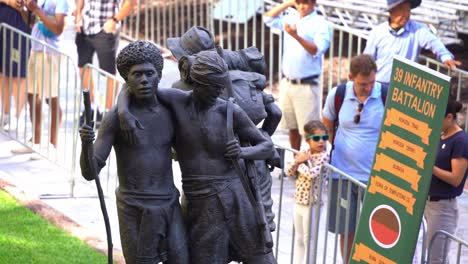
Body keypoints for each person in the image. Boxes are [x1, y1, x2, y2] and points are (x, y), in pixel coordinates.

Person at [118, 50, 277, 263]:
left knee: (261, 259)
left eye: (222, 85)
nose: (220, 91)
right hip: (201, 203)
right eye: (214, 87)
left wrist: (243, 152)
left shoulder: (229, 111)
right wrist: (123, 112)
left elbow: (267, 146)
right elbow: (132, 87)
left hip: (235, 197)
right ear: (197, 83)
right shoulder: (177, 101)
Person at [79, 41, 189, 264]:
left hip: (168, 202)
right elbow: (90, 172)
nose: (144, 80)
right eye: (137, 75)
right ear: (126, 79)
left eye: (149, 74)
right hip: (133, 206)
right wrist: (86, 145)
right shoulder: (114, 119)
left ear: (159, 75)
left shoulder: (171, 109)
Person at [321, 54, 384, 264]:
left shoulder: (385, 95)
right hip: (342, 176)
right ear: (350, 77)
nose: (368, 88)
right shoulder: (337, 94)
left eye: (372, 83)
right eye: (362, 84)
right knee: (345, 231)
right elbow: (326, 126)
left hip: (375, 180)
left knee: (374, 233)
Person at [264, 0, 331, 150]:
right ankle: (297, 163)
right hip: (288, 83)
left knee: (310, 131)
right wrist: (288, 3)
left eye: (305, 2)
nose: (301, 6)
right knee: (291, 127)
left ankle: (313, 168)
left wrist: (296, 36)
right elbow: (268, 18)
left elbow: (316, 49)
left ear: (313, 3)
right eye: (298, 2)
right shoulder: (292, 17)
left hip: (307, 85)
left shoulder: (321, 23)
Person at [11, 0, 68, 158]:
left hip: (50, 53)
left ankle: (52, 145)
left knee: (51, 98)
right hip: (35, 49)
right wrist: (25, 9)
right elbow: (32, 24)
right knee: (32, 96)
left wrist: (36, 9)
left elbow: (58, 29)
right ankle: (35, 142)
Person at [364, 0, 462, 85]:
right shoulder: (377, 33)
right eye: (401, 9)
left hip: (403, 88)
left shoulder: (417, 30)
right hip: (379, 83)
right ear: (391, 11)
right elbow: (367, 60)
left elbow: (434, 42)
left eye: (408, 9)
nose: (405, 14)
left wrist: (446, 57)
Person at [424, 98, 468, 264]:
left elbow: (456, 179)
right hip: (428, 202)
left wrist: (430, 168)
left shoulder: (460, 141)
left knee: (437, 258)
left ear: (449, 117)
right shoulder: (440, 135)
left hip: (443, 207)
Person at [74, 0, 135, 118]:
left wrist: (114, 21)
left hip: (106, 30)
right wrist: (78, 14)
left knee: (110, 74)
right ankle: (90, 109)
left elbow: (131, 3)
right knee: (83, 68)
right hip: (84, 27)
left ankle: (108, 114)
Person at [286, 120, 329, 264]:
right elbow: (288, 171)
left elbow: (312, 174)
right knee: (299, 238)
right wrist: (298, 162)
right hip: (299, 201)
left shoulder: (323, 157)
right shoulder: (304, 154)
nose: (321, 142)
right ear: (308, 140)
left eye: (324, 138)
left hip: (313, 203)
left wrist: (300, 163)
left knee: (309, 239)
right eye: (317, 138)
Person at [0, 0, 30, 127]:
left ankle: (18, 117)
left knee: (19, 74)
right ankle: (5, 114)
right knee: (2, 73)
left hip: (19, 29)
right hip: (3, 27)